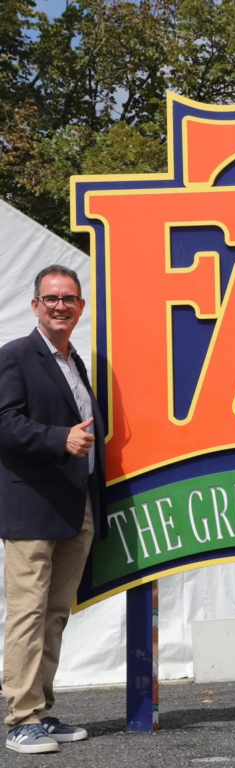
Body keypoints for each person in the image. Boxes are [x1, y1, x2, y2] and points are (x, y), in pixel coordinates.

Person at [0, 265, 107, 753]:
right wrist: (58, 439)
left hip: (74, 504)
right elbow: (4, 423)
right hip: (30, 506)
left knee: (55, 613)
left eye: (69, 298)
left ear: (80, 306)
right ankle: (20, 717)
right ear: (35, 305)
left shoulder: (75, 362)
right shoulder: (16, 356)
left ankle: (39, 709)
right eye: (51, 298)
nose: (60, 306)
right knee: (27, 612)